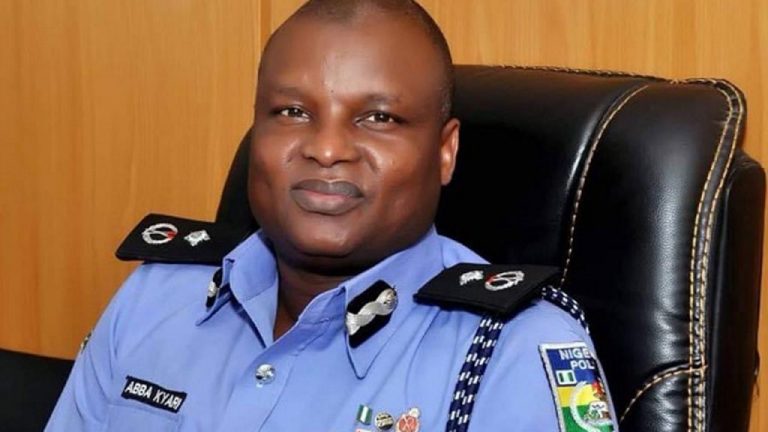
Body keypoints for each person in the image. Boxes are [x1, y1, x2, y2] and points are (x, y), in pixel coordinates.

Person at [46, 0, 619, 431]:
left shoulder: (514, 353)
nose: (326, 148)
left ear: (445, 151)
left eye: (378, 118)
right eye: (292, 111)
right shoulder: (155, 298)